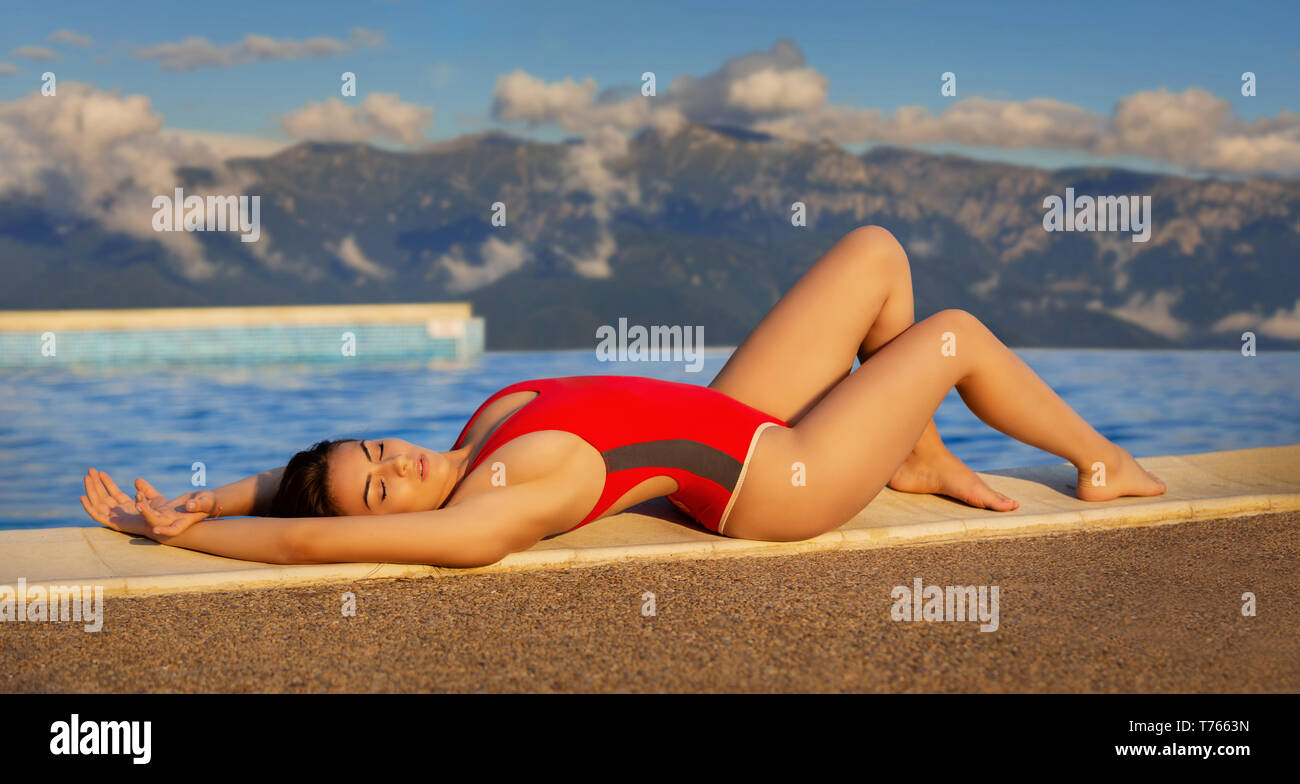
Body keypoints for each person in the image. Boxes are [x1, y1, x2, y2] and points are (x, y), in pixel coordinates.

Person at [80, 226, 1165, 567]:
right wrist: (182, 546)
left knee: (878, 255)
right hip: (770, 480)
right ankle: (1100, 462)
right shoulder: (488, 512)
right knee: (953, 336)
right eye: (381, 492)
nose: (398, 465)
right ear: (398, 527)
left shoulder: (465, 444)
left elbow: (293, 489)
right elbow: (309, 543)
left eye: (377, 448)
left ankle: (916, 453)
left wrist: (205, 499)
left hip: (731, 416)